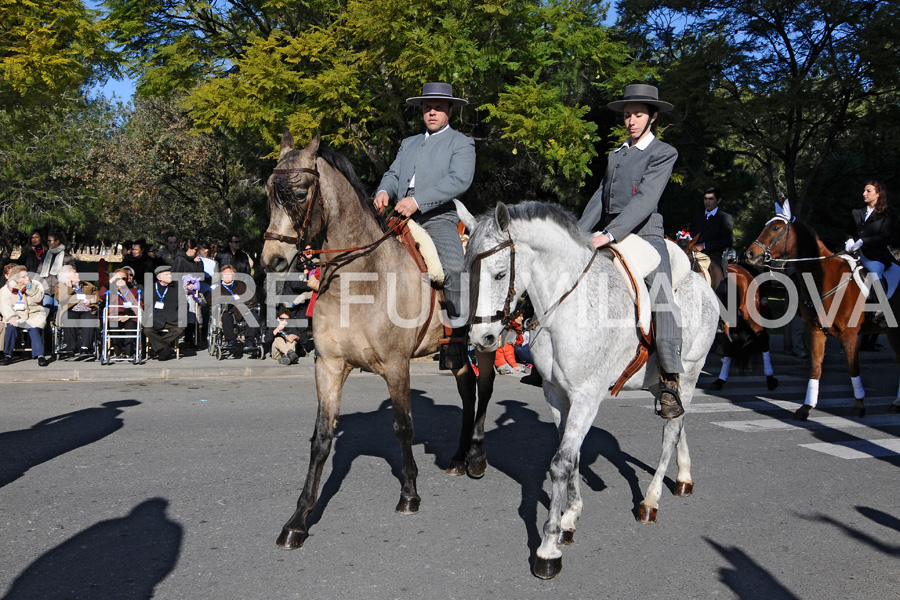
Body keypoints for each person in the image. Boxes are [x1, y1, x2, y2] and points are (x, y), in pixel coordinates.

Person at [577, 83, 684, 419]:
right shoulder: (616, 155)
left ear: (652, 117)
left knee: (662, 293)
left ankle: (670, 378)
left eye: (638, 115)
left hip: (644, 235)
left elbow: (645, 201)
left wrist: (609, 234)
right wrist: (578, 235)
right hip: (607, 233)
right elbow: (599, 198)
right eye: (627, 115)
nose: (631, 121)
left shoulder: (664, 153)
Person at [373, 82, 476, 369]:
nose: (432, 112)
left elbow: (459, 180)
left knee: (455, 268)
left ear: (450, 112)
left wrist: (417, 202)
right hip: (399, 215)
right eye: (428, 108)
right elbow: (393, 174)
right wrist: (383, 191)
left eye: (439, 108)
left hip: (439, 216)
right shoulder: (409, 143)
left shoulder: (461, 142)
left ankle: (460, 339)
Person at [0, 265, 50, 366]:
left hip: (33, 314)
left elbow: (38, 299)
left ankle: (40, 356)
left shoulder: (36, 284)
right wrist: (11, 317)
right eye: (23, 277)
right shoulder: (6, 289)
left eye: (27, 275)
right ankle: (8, 355)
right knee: (11, 327)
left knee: (35, 328)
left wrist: (30, 287)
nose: (27, 278)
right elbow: (5, 305)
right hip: (17, 315)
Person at [688, 186, 733, 292]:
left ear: (719, 200)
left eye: (711, 199)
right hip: (693, 252)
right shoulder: (698, 216)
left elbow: (728, 240)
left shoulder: (724, 217)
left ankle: (719, 297)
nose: (707, 202)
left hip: (713, 255)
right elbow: (691, 234)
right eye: (705, 199)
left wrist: (704, 245)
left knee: (716, 271)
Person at [55, 265, 99, 356]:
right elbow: (61, 299)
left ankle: (85, 347)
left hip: (86, 309)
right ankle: (71, 347)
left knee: (90, 318)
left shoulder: (88, 285)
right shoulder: (60, 286)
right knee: (68, 318)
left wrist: (91, 300)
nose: (78, 274)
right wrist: (69, 287)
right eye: (74, 273)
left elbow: (98, 297)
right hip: (71, 310)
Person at [215, 264, 259, 352]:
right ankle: (231, 340)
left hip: (244, 310)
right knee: (226, 316)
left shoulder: (240, 285)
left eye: (229, 274)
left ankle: (249, 341)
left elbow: (252, 298)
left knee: (254, 315)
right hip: (229, 311)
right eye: (225, 274)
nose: (227, 276)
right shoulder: (218, 288)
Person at [144, 265, 183, 361]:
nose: (170, 276)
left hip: (172, 318)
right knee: (147, 330)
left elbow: (183, 304)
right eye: (167, 274)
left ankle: (156, 348)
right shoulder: (151, 288)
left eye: (170, 274)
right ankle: (165, 349)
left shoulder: (177, 287)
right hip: (156, 318)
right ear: (159, 277)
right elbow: (146, 304)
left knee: (179, 330)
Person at [102, 268, 141, 358]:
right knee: (114, 326)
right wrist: (111, 280)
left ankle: (128, 353)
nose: (120, 281)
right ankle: (117, 353)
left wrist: (128, 315)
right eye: (117, 278)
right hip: (115, 316)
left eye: (123, 278)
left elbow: (140, 306)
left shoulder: (133, 291)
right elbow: (101, 294)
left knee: (131, 327)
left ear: (126, 280)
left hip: (130, 316)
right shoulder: (110, 291)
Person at [38, 231, 76, 303]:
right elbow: (39, 270)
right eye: (47, 241)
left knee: (59, 312)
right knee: (46, 310)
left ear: (57, 242)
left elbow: (72, 273)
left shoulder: (67, 256)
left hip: (60, 289)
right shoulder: (46, 254)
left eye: (50, 241)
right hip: (46, 289)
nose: (48, 243)